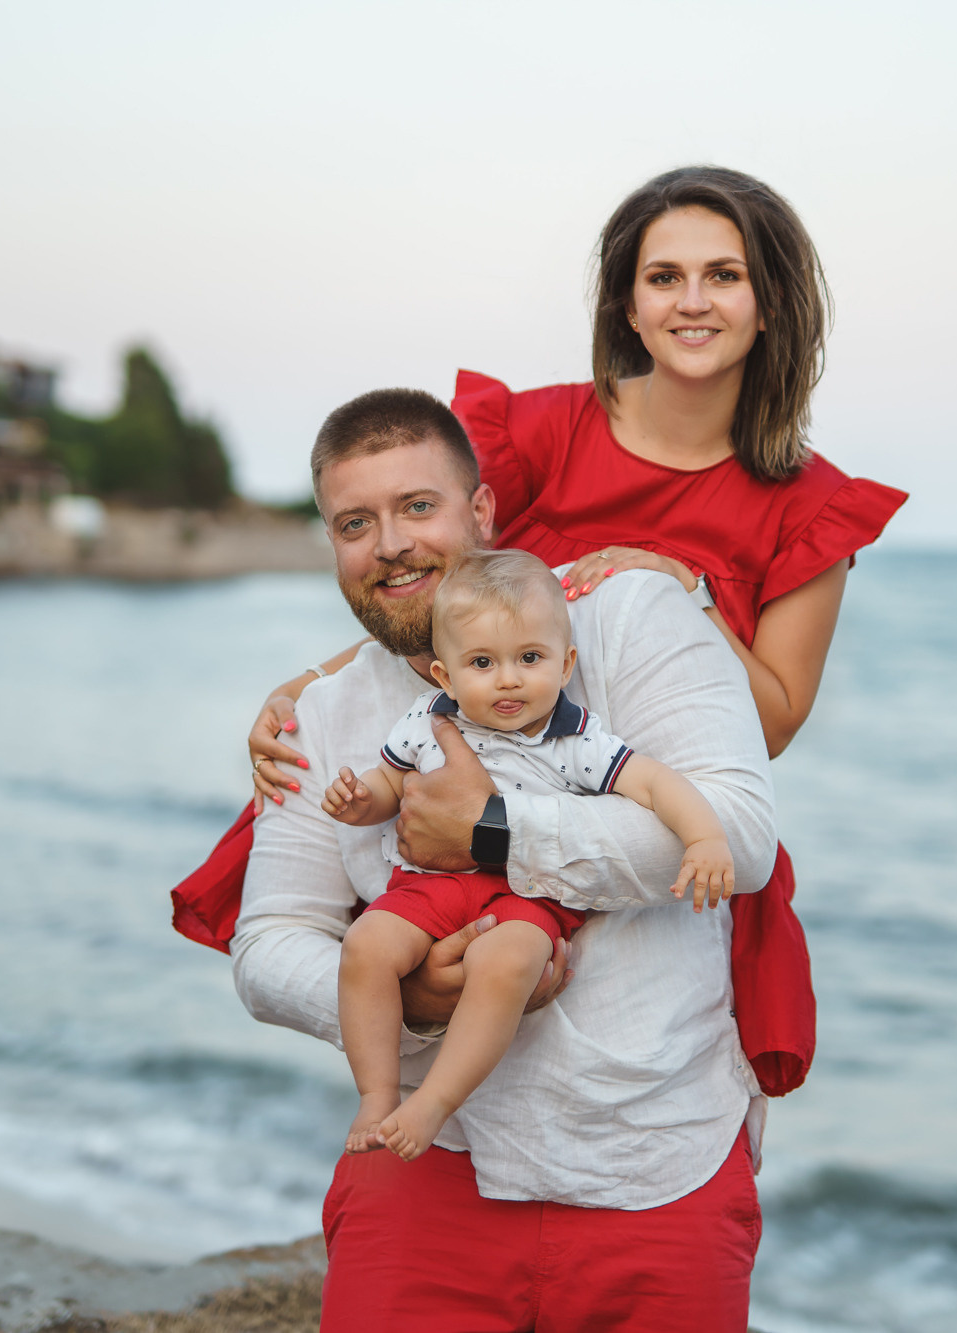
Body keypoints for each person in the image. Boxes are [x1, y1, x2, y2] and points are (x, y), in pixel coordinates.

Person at [244, 165, 909, 1098]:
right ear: (627, 305)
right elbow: (433, 582)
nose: (692, 301)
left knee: (637, 1058)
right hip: (483, 770)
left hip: (632, 814)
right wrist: (310, 686)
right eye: (663, 276)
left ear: (772, 303)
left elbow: (773, 725)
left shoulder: (811, 508)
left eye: (725, 275)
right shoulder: (540, 433)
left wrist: (687, 595)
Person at [236, 386, 776, 1329]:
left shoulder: (626, 621)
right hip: (425, 1159)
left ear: (480, 512)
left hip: (653, 1158)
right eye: (354, 523)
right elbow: (269, 940)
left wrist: (496, 833)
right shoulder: (316, 718)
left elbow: (739, 834)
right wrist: (409, 1003)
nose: (390, 545)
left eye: (417, 507)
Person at [327, 548, 735, 1160]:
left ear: (565, 663)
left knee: (508, 961)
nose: (509, 679)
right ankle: (377, 1094)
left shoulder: (575, 737)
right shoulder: (429, 719)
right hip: (428, 886)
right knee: (365, 945)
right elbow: (391, 787)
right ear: (444, 676)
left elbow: (654, 784)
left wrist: (704, 838)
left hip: (528, 894)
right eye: (482, 663)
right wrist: (361, 802)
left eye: (530, 658)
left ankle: (434, 1101)